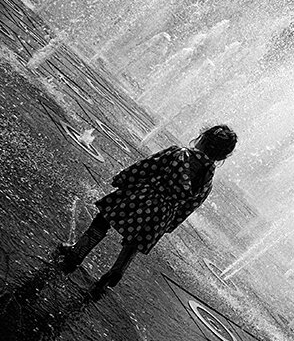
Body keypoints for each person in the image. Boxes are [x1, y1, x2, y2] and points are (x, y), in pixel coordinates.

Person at [56, 125, 237, 295]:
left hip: (141, 197)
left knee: (103, 220)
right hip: (163, 215)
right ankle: (114, 273)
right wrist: (169, 224)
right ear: (221, 158)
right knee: (133, 244)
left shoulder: (179, 153)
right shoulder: (207, 181)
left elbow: (147, 166)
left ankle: (76, 254)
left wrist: (123, 179)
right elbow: (189, 207)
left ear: (202, 139)